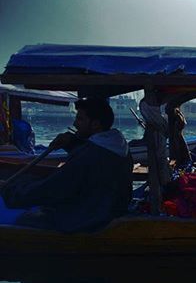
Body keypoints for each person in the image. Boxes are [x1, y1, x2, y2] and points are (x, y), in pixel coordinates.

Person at [1, 97, 133, 232]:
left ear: (96, 125)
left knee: (24, 219)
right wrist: (72, 143)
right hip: (106, 213)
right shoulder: (120, 149)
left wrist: (9, 190)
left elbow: (53, 189)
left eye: (80, 119)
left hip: (87, 221)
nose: (75, 124)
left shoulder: (88, 156)